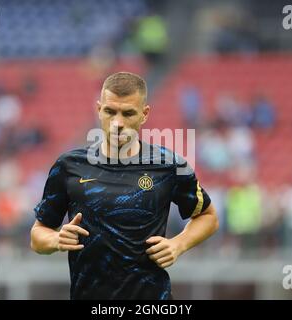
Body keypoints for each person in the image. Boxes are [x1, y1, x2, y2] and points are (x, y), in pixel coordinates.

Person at [30, 72, 219, 300]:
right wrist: (56, 239)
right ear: (99, 109)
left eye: (128, 113)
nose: (118, 123)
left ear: (144, 114)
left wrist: (178, 244)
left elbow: (209, 217)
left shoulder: (169, 166)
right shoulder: (69, 166)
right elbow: (37, 236)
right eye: (110, 111)